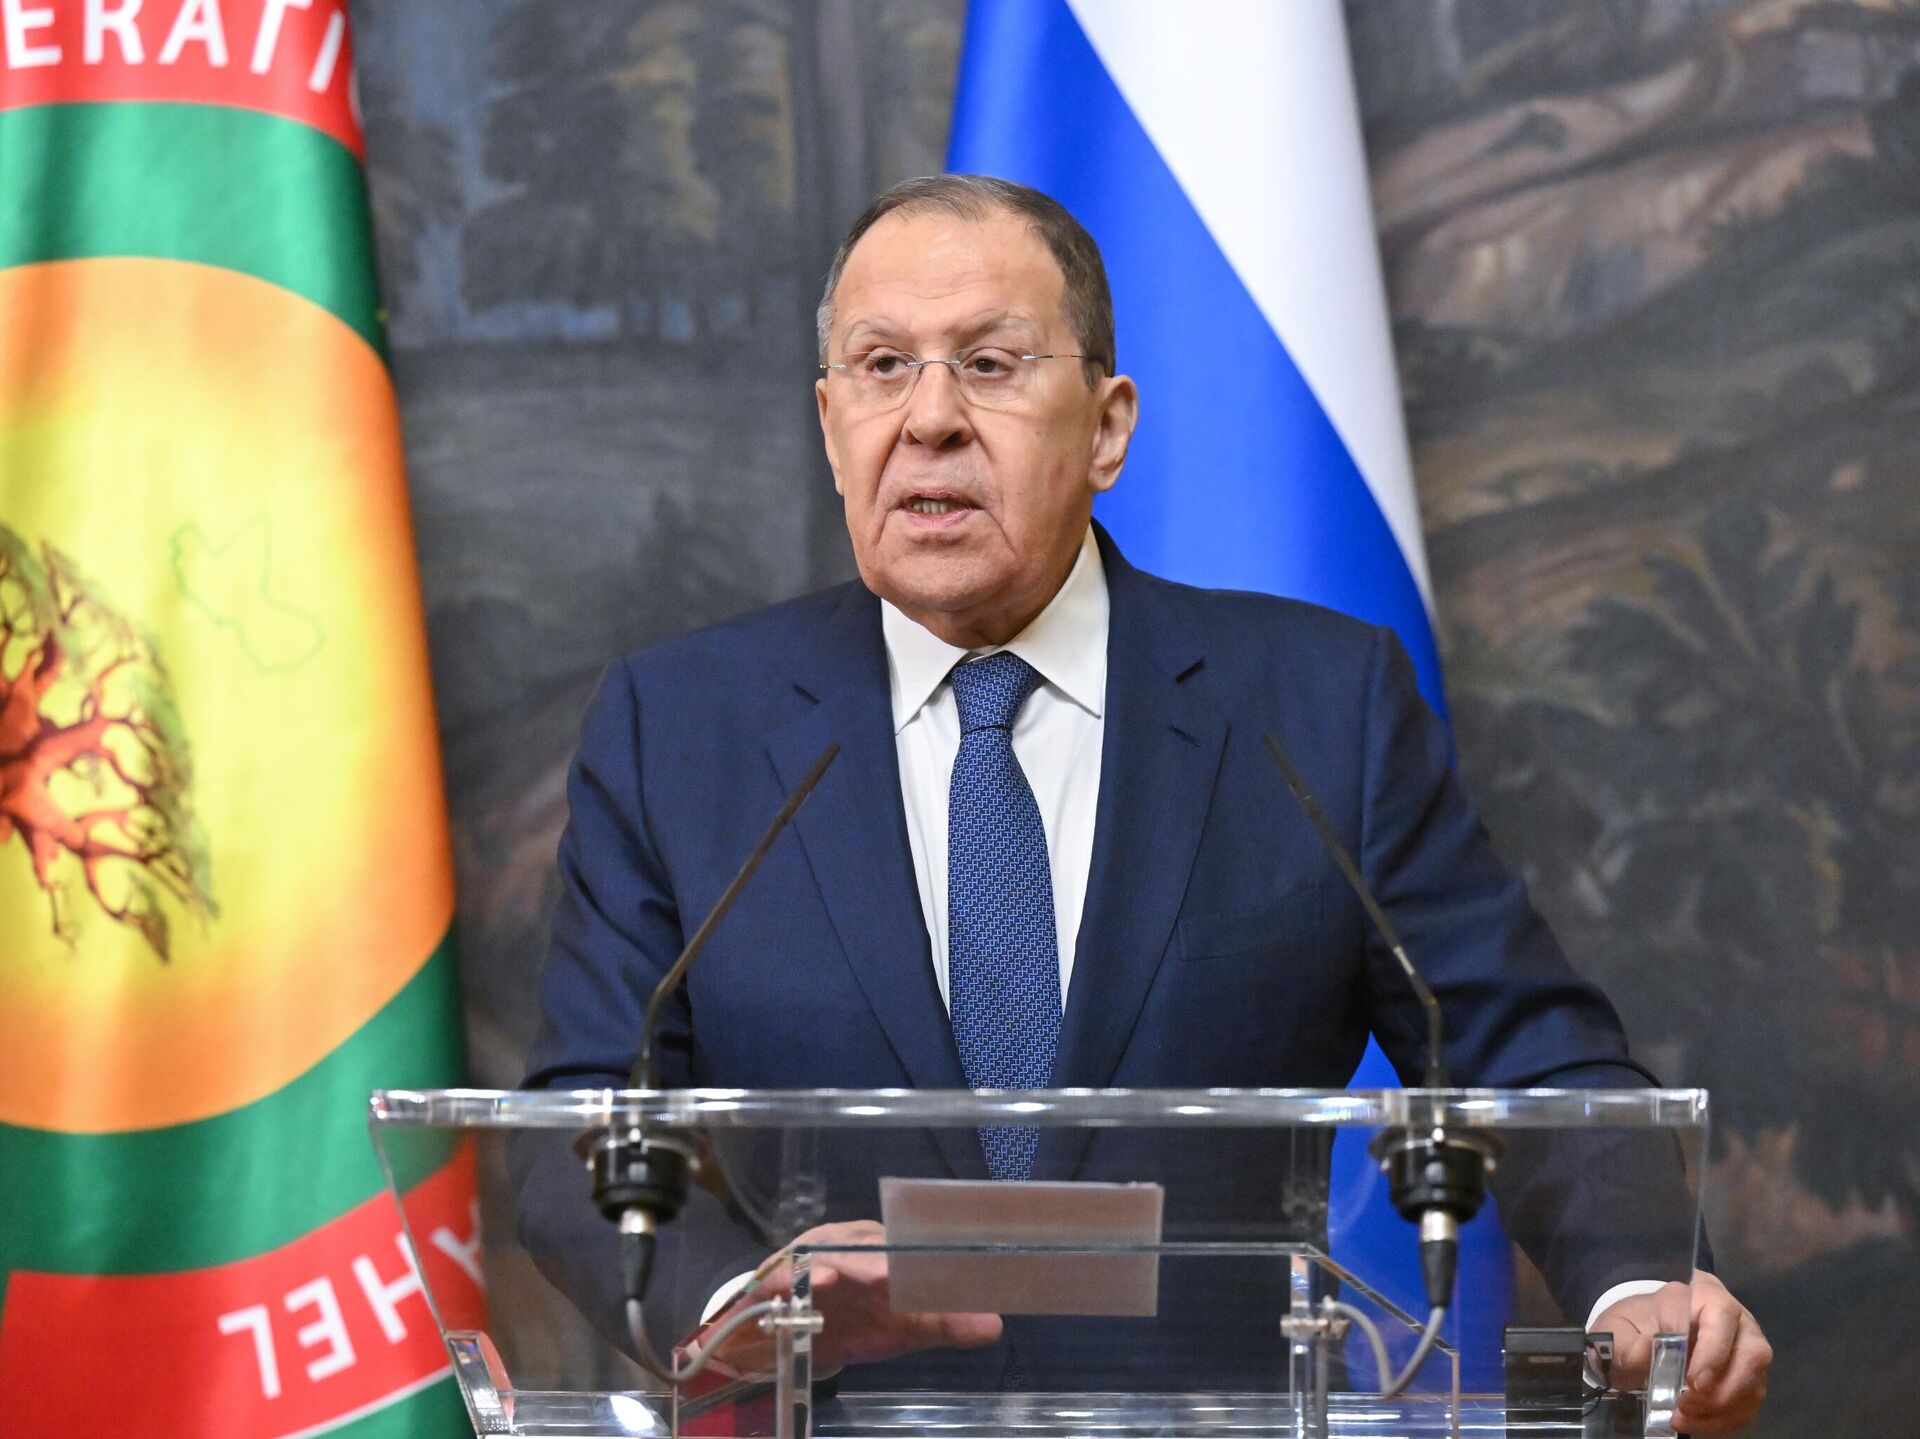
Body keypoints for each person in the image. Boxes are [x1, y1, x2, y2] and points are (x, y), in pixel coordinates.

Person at [519, 175, 1770, 1432]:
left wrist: (1642, 1283)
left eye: (990, 364)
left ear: (1108, 428)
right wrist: (747, 1302)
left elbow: (1525, 1049)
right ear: (831, 422)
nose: (930, 418)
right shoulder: (680, 728)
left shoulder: (1315, 706)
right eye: (882, 365)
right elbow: (578, 1131)